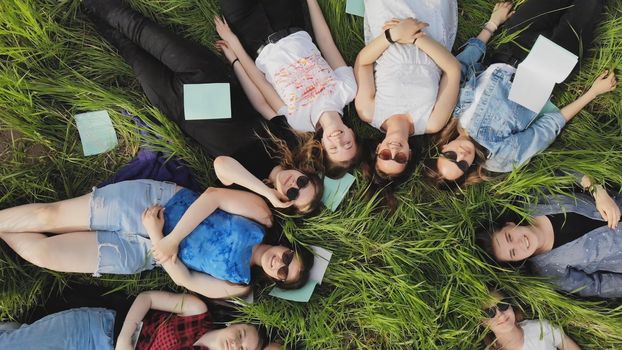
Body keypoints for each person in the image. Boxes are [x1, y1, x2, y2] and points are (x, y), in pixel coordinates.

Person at [82, 0, 324, 214]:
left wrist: (268, 192)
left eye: (292, 195)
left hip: (179, 107)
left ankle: (87, 10)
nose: (294, 184)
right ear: (306, 174)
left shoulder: (250, 192)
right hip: (208, 79)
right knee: (138, 28)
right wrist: (236, 61)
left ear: (284, 203)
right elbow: (259, 102)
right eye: (303, 183)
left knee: (129, 51)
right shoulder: (289, 143)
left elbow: (221, 165)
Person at [0, 180, 314, 299]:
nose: (280, 262)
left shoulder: (239, 283)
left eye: (284, 272)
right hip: (157, 206)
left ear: (275, 280)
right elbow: (213, 196)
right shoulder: (260, 217)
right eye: (289, 257)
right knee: (49, 219)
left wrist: (158, 239)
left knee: (46, 254)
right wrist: (170, 236)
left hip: (149, 253)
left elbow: (188, 281)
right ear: (288, 246)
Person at [426, 0, 615, 187]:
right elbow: (547, 127)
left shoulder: (450, 116)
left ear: (443, 148)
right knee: (590, 6)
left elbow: (462, 66)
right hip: (547, 68)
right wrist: (593, 92)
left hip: (514, 44)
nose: (461, 155)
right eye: (462, 164)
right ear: (468, 170)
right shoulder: (500, 157)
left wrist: (492, 24)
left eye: (451, 156)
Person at [215, 0, 362, 178]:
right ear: (352, 134)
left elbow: (260, 82)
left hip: (252, 36)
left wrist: (234, 42)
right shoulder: (347, 90)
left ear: (322, 145)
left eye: (333, 148)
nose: (338, 140)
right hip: (289, 18)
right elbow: (325, 41)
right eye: (347, 144)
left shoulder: (297, 122)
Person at [354, 0, 461, 178]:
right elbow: (453, 70)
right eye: (400, 158)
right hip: (429, 34)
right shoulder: (432, 122)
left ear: (378, 149)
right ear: (409, 155)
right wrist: (415, 37)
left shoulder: (369, 112)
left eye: (386, 156)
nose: (394, 151)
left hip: (389, 26)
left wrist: (393, 34)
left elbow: (363, 62)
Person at [478, 175, 622, 298]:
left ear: (509, 224)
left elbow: (565, 170)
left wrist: (597, 191)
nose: (519, 243)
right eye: (513, 252)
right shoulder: (549, 272)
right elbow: (596, 286)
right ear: (517, 260)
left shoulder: (534, 200)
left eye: (509, 237)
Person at [0, 290, 272, 349]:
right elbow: (147, 299)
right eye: (240, 336)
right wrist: (124, 341)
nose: (234, 345)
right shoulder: (196, 311)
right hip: (101, 332)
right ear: (232, 326)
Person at [482, 288, 580, 350]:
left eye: (502, 305)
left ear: (510, 305)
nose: (500, 314)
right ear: (482, 322)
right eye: (489, 312)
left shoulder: (541, 328)